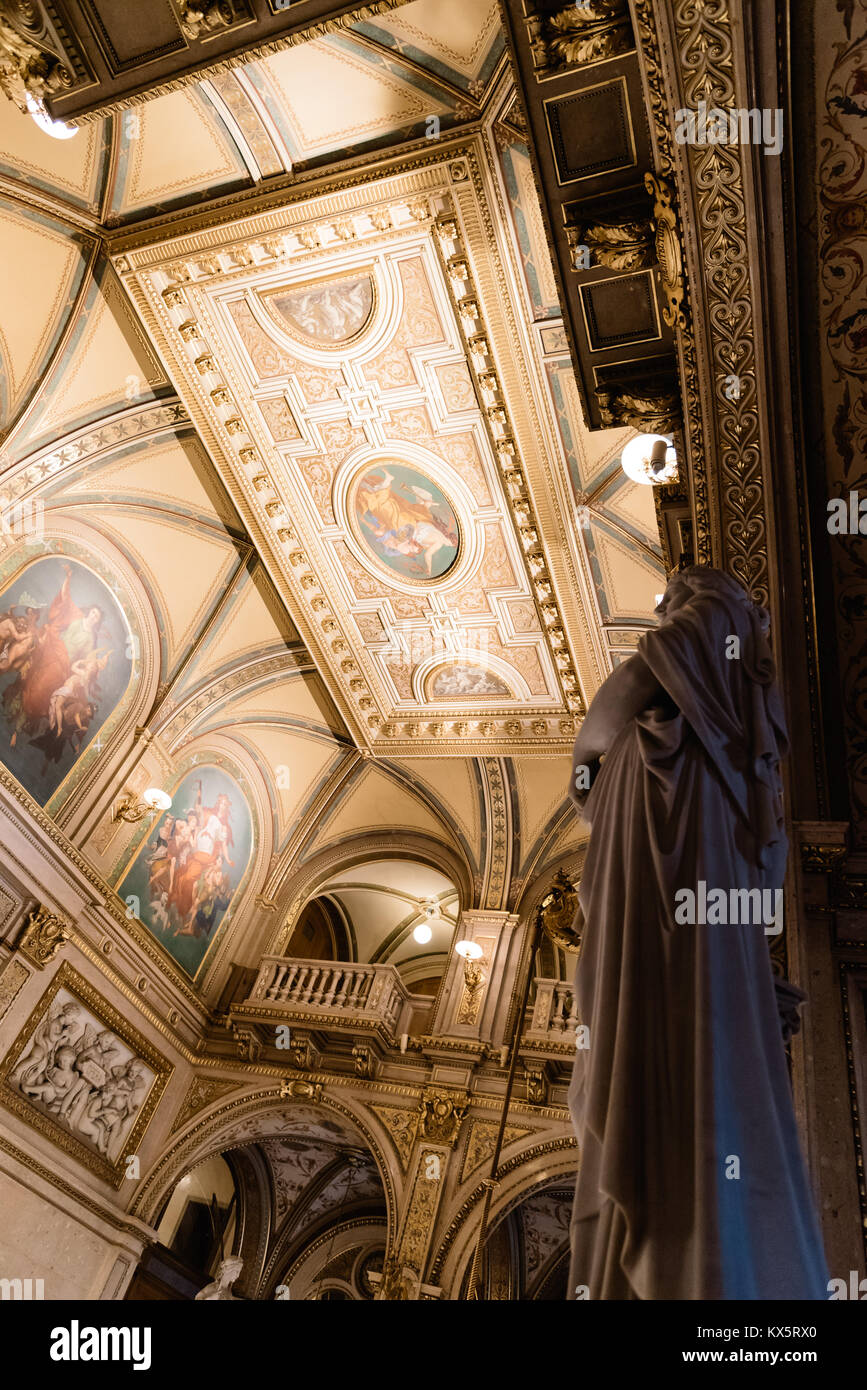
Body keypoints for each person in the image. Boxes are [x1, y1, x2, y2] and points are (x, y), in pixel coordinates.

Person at [566, 565, 829, 1299]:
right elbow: (768, 861)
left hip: (656, 845)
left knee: (631, 1029)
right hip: (702, 890)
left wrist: (585, 773)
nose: (665, 611)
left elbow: (607, 715)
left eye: (671, 600)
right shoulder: (742, 753)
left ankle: (661, 1239)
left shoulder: (695, 640)